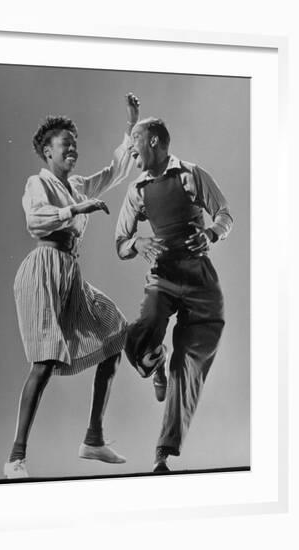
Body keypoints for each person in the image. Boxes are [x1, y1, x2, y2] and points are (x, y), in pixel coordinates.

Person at [4, 93, 140, 479]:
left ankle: (93, 438)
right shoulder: (38, 183)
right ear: (47, 152)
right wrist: (75, 210)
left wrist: (131, 126)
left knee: (115, 334)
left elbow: (115, 171)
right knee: (44, 362)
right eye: (66, 145)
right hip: (43, 270)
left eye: (75, 145)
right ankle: (16, 456)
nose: (73, 150)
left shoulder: (78, 184)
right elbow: (36, 221)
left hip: (70, 274)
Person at [115, 115, 233, 472]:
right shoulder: (137, 190)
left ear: (153, 141)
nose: (133, 155)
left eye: (135, 146)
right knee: (141, 330)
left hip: (199, 283)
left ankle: (162, 454)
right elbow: (119, 244)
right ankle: (155, 360)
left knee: (188, 370)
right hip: (162, 278)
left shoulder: (191, 174)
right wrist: (138, 241)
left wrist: (211, 234)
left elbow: (225, 213)